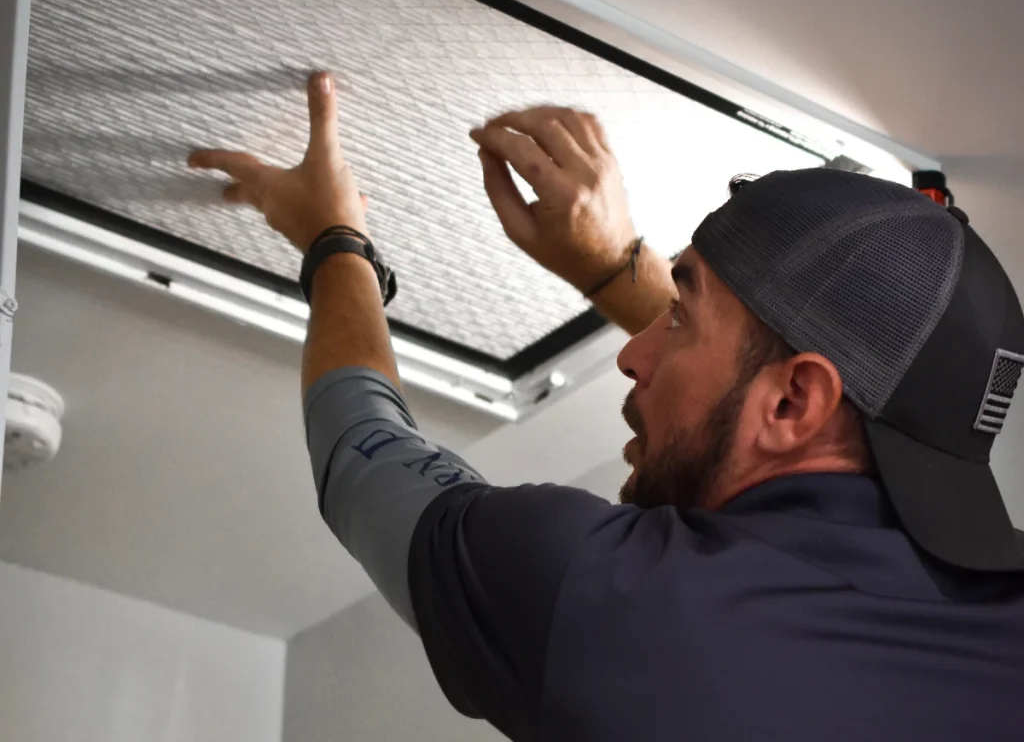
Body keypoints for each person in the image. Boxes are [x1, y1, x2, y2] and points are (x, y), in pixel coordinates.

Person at [189, 72, 1024, 741]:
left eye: (681, 316)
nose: (632, 352)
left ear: (795, 402)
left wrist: (333, 238)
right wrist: (614, 267)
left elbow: (359, 450)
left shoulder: (610, 598)